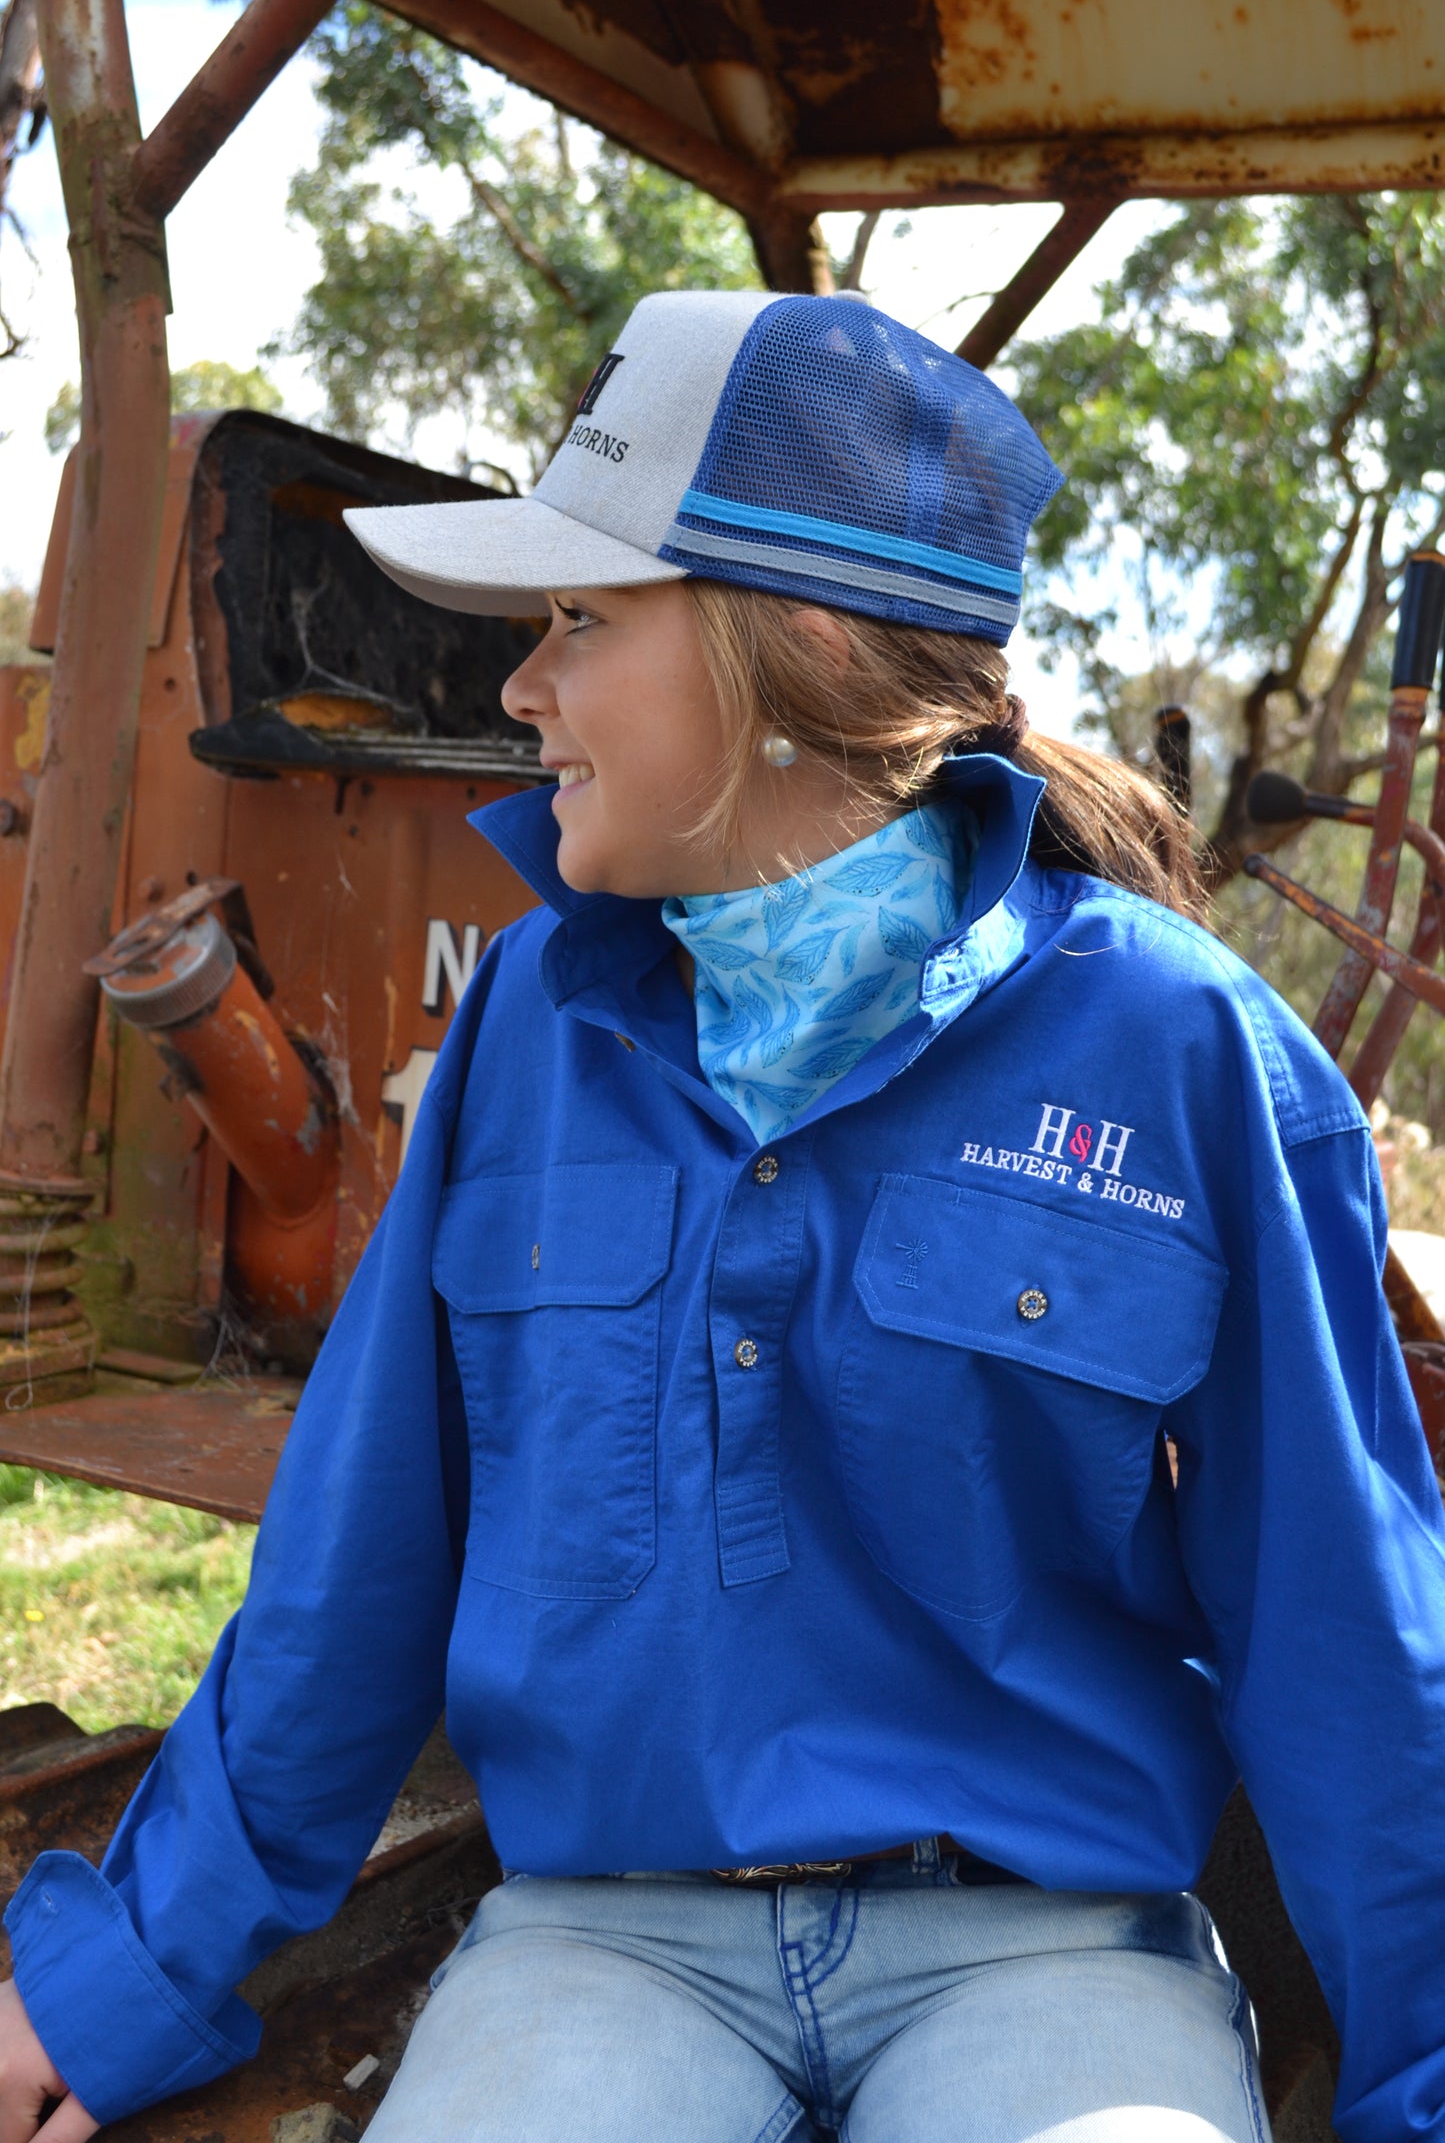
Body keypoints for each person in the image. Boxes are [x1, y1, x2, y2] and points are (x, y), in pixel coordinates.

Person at [3, 287, 1444, 2143]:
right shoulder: (530, 1017)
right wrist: (126, 1973)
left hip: (1051, 1950)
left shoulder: (1179, 1052)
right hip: (602, 1946)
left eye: (580, 622)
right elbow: (354, 1565)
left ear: (798, 653)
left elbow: (1344, 1617)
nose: (520, 687)